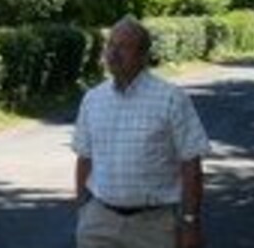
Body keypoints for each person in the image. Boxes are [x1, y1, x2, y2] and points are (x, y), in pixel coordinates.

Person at [73, 17, 212, 248]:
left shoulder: (171, 99)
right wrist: (83, 211)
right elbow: (84, 158)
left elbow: (191, 166)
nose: (113, 53)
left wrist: (190, 223)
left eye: (123, 47)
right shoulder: (93, 99)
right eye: (110, 45)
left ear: (143, 55)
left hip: (154, 227)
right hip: (99, 224)